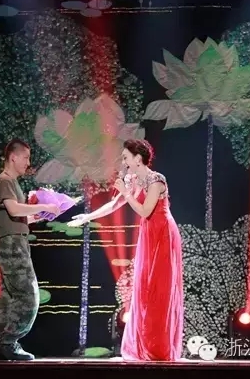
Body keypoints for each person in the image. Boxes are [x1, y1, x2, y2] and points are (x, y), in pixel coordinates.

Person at [67, 139, 184, 361]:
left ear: (138, 158)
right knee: (144, 289)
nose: (123, 162)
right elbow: (114, 205)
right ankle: (144, 346)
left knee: (160, 289)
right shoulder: (132, 180)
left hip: (163, 235)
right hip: (148, 234)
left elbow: (145, 210)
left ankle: (160, 348)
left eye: (125, 158)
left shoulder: (157, 180)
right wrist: (87, 217)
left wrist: (126, 193)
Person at [0, 138, 60, 361]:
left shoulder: (11, 183)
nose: (28, 163)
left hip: (15, 242)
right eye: (25, 157)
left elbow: (16, 217)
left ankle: (5, 344)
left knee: (9, 298)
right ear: (13, 157)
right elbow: (13, 209)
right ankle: (9, 341)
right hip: (12, 245)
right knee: (29, 296)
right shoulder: (5, 181)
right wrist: (43, 205)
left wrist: (39, 215)